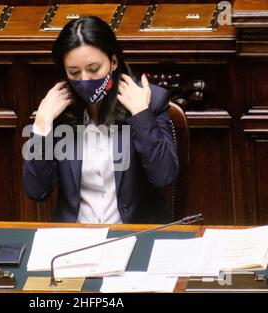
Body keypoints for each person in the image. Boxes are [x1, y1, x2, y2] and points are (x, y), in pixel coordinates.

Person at [22, 16, 179, 224]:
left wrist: (142, 116)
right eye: (74, 72)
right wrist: (41, 126)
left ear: (113, 62)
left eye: (94, 69)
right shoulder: (59, 111)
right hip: (75, 240)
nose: (85, 80)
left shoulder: (150, 101)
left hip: (133, 236)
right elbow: (36, 190)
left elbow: (164, 176)